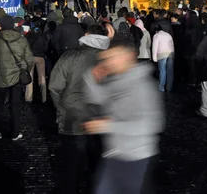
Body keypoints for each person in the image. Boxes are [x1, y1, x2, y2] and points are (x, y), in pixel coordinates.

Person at [83, 39, 165, 194]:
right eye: (108, 58)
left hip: (136, 158)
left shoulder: (143, 85)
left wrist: (108, 126)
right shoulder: (117, 79)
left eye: (114, 57)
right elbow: (100, 100)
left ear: (129, 56)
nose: (109, 62)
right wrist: (93, 79)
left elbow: (151, 124)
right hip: (113, 154)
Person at [49, 24, 109, 193]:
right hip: (100, 118)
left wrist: (61, 108)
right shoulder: (107, 58)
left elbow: (55, 86)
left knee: (71, 166)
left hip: (72, 117)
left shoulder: (69, 56)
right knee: (97, 163)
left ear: (86, 36)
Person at [0, 15, 34, 141]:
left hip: (0, 76)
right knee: (15, 105)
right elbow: (29, 59)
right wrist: (24, 70)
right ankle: (14, 132)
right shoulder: (21, 39)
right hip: (17, 76)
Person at [152, 25, 175, 92]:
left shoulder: (156, 36)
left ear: (156, 31)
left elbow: (154, 47)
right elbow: (172, 45)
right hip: (170, 54)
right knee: (170, 71)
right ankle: (169, 88)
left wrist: (154, 58)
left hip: (161, 54)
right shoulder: (168, 35)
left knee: (162, 71)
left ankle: (161, 87)